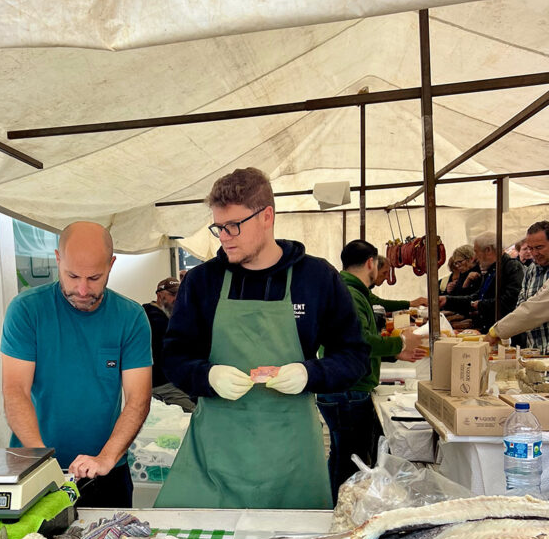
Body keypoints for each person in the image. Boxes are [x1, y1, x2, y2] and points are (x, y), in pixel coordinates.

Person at [155, 167, 369, 510]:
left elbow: (354, 356)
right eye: (218, 227)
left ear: (266, 216)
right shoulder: (202, 282)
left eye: (234, 226)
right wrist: (206, 375)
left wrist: (309, 374)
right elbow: (175, 357)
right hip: (217, 453)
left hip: (291, 453)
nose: (224, 237)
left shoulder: (315, 278)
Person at [0, 221, 152, 508]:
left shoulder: (130, 317)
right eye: (72, 276)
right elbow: (15, 391)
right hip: (33, 470)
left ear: (111, 264)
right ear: (58, 259)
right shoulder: (26, 311)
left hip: (107, 473)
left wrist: (106, 457)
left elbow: (138, 399)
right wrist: (42, 460)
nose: (82, 289)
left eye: (94, 278)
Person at [317, 240, 426, 503]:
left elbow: (369, 314)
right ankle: (345, 512)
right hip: (348, 390)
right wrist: (400, 343)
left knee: (342, 454)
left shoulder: (350, 289)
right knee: (351, 459)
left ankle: (335, 506)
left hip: (342, 387)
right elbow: (360, 340)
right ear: (371, 263)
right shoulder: (350, 295)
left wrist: (393, 352)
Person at [439, 233, 524, 333]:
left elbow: (510, 301)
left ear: (488, 250)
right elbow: (478, 296)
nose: (474, 257)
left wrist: (480, 305)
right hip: (488, 330)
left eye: (476, 251)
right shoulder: (491, 269)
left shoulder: (512, 267)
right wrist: (447, 300)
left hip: (504, 333)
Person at [486, 220, 549, 352]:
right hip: (537, 354)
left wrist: (496, 331)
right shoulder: (531, 270)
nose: (534, 253)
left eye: (539, 247)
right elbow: (522, 305)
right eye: (531, 248)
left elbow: (534, 309)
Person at [143, 278, 196, 412]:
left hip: (161, 383)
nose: (177, 299)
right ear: (160, 296)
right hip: (162, 385)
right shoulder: (154, 320)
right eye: (172, 295)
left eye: (180, 294)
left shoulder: (163, 316)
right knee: (194, 414)